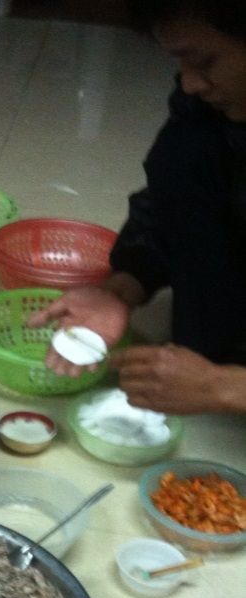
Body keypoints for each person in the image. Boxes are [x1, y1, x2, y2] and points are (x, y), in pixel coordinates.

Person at [27, 0, 246, 418]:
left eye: (205, 62)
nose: (190, 83)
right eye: (181, 62)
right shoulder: (208, 112)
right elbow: (172, 203)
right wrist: (121, 289)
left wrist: (225, 388)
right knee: (188, 147)